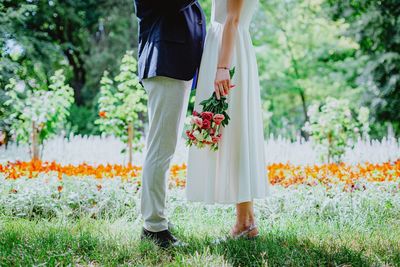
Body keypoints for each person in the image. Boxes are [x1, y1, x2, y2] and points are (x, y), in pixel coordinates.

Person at [187, 0, 271, 239]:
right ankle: (247, 219)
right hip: (225, 45)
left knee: (234, 133)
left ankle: (244, 221)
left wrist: (222, 66)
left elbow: (232, 19)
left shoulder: (227, 46)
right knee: (234, 131)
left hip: (228, 51)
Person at [134, 0, 206, 248]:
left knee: (163, 148)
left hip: (174, 65)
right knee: (161, 149)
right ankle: (154, 227)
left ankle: (156, 219)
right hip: (165, 63)